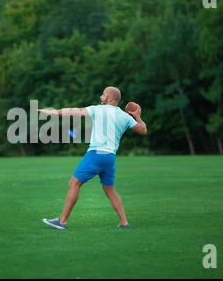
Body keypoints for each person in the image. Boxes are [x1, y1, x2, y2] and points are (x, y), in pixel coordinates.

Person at [38, 86, 147, 229]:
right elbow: (143, 130)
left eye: (103, 95)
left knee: (74, 184)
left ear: (111, 98)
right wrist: (137, 116)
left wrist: (53, 112)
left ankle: (62, 221)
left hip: (96, 154)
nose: (101, 97)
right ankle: (124, 222)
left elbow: (74, 111)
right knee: (109, 190)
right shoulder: (125, 116)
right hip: (110, 158)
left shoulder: (98, 109)